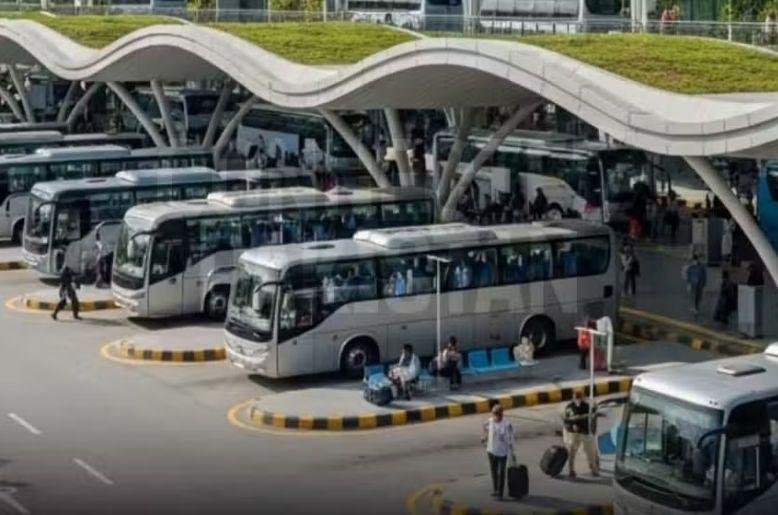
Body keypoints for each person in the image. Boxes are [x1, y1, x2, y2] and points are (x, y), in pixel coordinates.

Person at [481, 404, 514, 500]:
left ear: (501, 414)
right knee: (494, 472)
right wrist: (484, 436)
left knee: (501, 473)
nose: (494, 416)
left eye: (496, 414)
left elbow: (511, 438)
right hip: (491, 451)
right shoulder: (490, 421)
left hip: (502, 453)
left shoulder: (506, 424)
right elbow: (484, 425)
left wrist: (512, 451)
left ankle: (500, 494)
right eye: (493, 413)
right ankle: (495, 490)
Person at [563, 391, 599, 478]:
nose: (578, 400)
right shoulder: (569, 407)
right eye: (576, 398)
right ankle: (571, 470)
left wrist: (595, 408)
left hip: (586, 432)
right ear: (573, 398)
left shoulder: (587, 406)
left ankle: (594, 469)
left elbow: (593, 417)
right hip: (575, 434)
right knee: (572, 453)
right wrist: (572, 426)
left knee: (590, 452)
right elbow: (566, 421)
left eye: (579, 397)